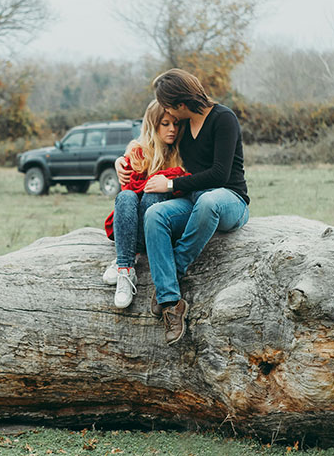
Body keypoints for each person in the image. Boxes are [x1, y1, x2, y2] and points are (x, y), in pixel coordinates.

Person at [142, 68, 250, 345]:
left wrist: (169, 186)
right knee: (155, 214)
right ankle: (170, 302)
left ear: (180, 103)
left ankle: (172, 273)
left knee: (208, 200)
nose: (167, 112)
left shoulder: (223, 119)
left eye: (168, 105)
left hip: (228, 200)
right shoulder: (182, 126)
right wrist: (122, 161)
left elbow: (219, 175)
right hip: (193, 200)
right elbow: (151, 141)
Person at [102, 100, 188, 309]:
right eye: (165, 124)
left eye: (175, 124)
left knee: (152, 196)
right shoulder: (138, 151)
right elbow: (127, 188)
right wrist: (119, 161)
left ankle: (127, 256)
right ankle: (125, 269)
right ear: (153, 124)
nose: (172, 129)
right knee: (126, 197)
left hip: (160, 227)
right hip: (132, 221)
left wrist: (165, 183)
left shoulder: (182, 152)